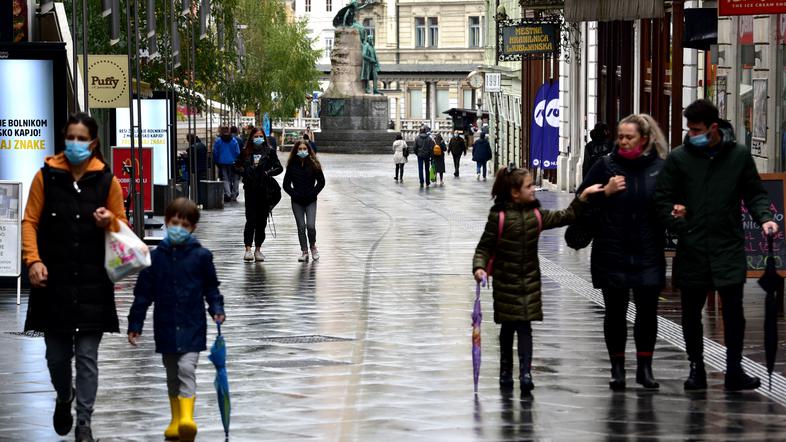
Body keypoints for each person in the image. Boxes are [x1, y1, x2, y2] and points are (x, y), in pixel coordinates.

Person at [654, 99, 778, 391]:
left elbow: (755, 193)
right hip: (693, 246)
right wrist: (678, 220)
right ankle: (696, 367)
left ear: (713, 127)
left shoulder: (738, 156)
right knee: (690, 312)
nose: (690, 133)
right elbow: (662, 199)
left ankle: (734, 370)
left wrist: (766, 219)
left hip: (728, 246)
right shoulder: (679, 159)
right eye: (688, 129)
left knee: (734, 311)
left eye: (696, 129)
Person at [22, 112, 128, 442]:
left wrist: (108, 220)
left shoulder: (106, 180)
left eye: (82, 139)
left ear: (93, 143)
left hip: (93, 283)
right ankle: (63, 396)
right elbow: (30, 222)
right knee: (56, 357)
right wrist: (33, 261)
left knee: (86, 358)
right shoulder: (46, 176)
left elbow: (123, 229)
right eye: (71, 137)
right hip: (52, 283)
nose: (76, 144)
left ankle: (84, 422)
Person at [473, 165, 603, 393]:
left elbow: (566, 216)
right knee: (507, 330)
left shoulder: (537, 215)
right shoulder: (499, 217)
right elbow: (484, 247)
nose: (533, 189)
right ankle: (506, 371)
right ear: (515, 192)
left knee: (525, 329)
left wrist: (582, 197)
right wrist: (479, 268)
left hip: (529, 283)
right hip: (505, 283)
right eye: (529, 186)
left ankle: (525, 372)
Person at [578, 114, 668, 391]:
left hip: (648, 250)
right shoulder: (605, 165)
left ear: (644, 138)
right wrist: (606, 191)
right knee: (615, 313)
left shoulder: (660, 168)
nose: (623, 141)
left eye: (629, 136)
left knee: (647, 313)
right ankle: (617, 369)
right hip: (611, 249)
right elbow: (581, 199)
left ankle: (645, 368)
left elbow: (670, 202)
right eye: (621, 136)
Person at [127, 198, 225, 442]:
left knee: (186, 368)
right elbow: (143, 295)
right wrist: (135, 324)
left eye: (185, 224)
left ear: (192, 228)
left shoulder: (202, 256)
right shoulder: (155, 258)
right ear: (167, 222)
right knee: (172, 373)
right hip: (165, 325)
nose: (179, 227)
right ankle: (175, 419)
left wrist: (216, 309)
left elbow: (211, 288)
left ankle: (187, 419)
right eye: (174, 222)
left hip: (193, 325)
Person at [235, 128, 283, 262]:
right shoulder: (245, 152)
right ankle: (248, 249)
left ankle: (258, 249)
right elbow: (236, 166)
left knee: (261, 221)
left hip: (264, 190)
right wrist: (245, 172)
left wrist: (268, 173)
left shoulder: (269, 152)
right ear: (251, 137)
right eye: (256, 136)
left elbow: (279, 167)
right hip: (250, 190)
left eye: (260, 136)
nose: (258, 138)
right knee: (250, 220)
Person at [283, 140, 326, 262]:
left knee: (311, 226)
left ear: (308, 150)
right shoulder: (291, 165)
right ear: (296, 151)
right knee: (301, 227)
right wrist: (294, 194)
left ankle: (313, 246)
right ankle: (304, 251)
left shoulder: (314, 164)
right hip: (297, 201)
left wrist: (313, 193)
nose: (302, 151)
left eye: (304, 149)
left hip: (311, 200)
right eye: (300, 149)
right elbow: (286, 185)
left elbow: (321, 182)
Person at [213, 126, 241, 202]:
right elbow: (237, 152)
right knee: (235, 178)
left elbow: (215, 152)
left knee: (225, 178)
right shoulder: (234, 141)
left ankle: (228, 194)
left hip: (222, 162)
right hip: (233, 162)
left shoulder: (218, 141)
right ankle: (234, 195)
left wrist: (216, 161)